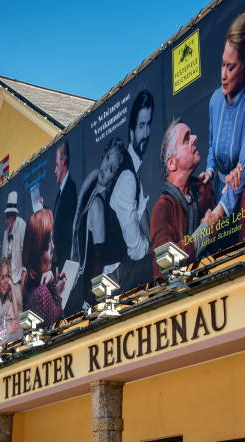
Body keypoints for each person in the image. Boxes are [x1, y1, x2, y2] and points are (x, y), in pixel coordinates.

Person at [199, 10, 245, 224]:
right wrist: (209, 171)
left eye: (231, 67)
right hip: (220, 189)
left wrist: (219, 211)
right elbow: (212, 147)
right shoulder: (215, 100)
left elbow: (244, 161)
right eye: (222, 65)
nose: (223, 75)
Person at [150, 119, 215, 277]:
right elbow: (166, 263)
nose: (195, 138)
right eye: (186, 139)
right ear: (172, 163)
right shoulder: (162, 209)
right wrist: (205, 231)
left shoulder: (201, 189)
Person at [71, 138, 127, 307]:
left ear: (114, 177)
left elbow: (99, 258)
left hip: (91, 289)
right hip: (85, 284)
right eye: (107, 158)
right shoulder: (91, 197)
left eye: (111, 169)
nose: (105, 169)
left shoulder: (97, 205)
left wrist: (88, 299)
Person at [109, 90, 154, 291]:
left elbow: (140, 211)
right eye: (141, 126)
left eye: (149, 124)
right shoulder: (127, 176)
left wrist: (154, 238)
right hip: (118, 277)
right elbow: (136, 249)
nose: (146, 133)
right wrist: (155, 247)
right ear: (131, 131)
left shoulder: (132, 169)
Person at [22, 209, 66, 327]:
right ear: (37, 253)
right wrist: (58, 293)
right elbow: (60, 322)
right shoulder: (41, 293)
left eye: (52, 240)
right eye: (47, 245)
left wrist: (52, 281)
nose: (53, 247)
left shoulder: (29, 282)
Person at [52, 140, 78, 273]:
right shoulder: (61, 192)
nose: (55, 170)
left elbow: (68, 234)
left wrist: (62, 267)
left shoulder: (70, 190)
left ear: (63, 160)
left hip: (67, 266)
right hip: (60, 265)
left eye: (57, 164)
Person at [1, 190, 26, 311]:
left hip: (17, 280)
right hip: (7, 281)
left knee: (19, 310)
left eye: (8, 218)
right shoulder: (6, 234)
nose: (6, 221)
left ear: (13, 216)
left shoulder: (22, 226)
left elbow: (26, 254)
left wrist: (22, 280)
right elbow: (3, 259)